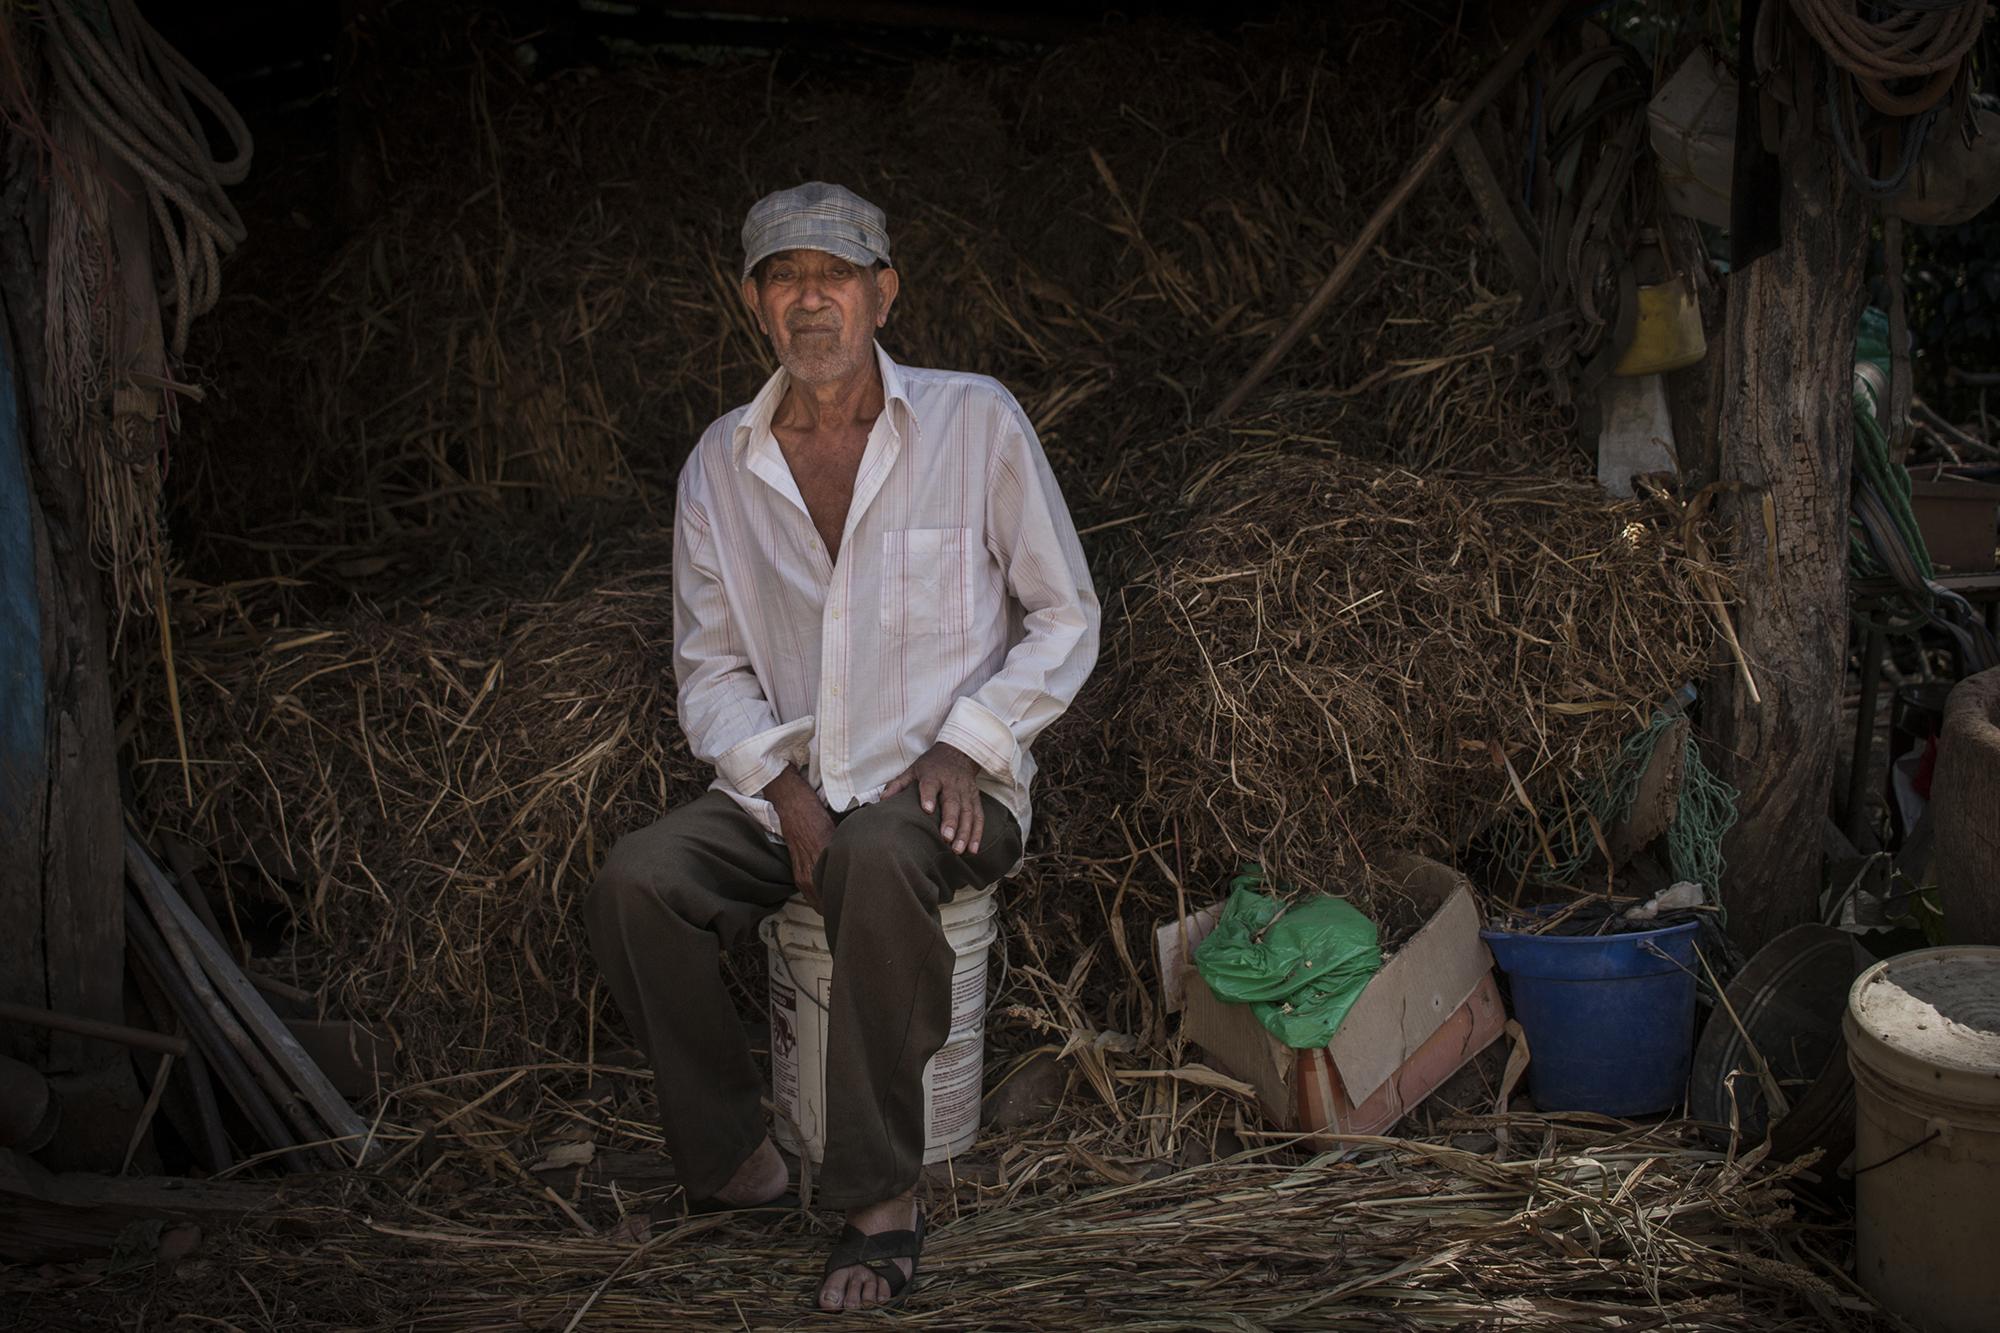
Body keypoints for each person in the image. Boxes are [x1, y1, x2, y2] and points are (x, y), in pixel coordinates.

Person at [585, 181, 1100, 1312]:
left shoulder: (972, 423)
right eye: (782, 277)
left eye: (832, 275)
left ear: (881, 294)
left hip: (953, 794)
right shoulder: (721, 465)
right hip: (795, 792)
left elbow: (1066, 614)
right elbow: (708, 668)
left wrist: (969, 742)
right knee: (637, 883)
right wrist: (783, 793)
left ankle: (879, 1200)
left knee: (872, 854)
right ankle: (734, 1157)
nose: (807, 298)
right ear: (752, 303)